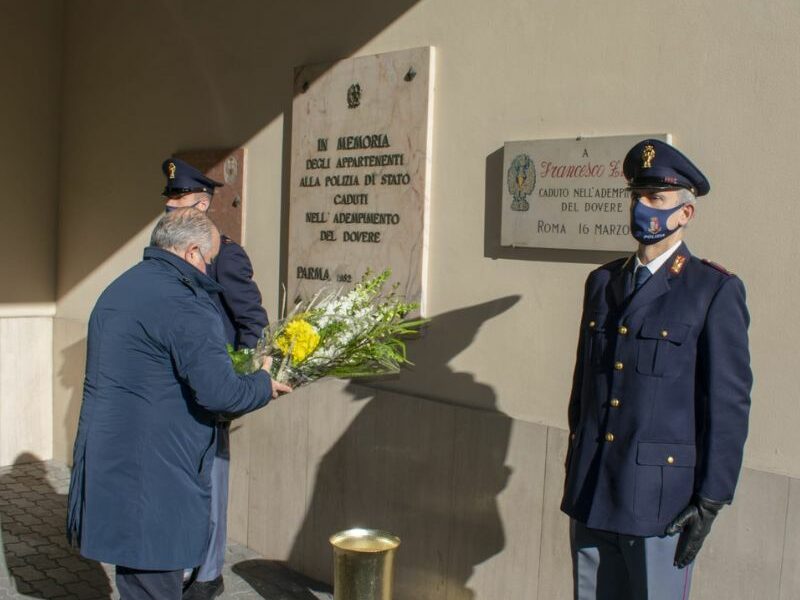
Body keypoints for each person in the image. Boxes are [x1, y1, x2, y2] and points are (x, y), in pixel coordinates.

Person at [561, 139, 752, 599]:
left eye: (655, 199)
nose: (641, 208)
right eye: (636, 197)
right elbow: (583, 387)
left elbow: (727, 402)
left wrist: (711, 498)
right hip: (592, 490)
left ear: (685, 214)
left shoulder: (711, 289)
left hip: (660, 501)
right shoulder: (603, 282)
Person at [66, 209, 291, 600]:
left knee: (136, 579)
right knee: (154, 586)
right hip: (157, 478)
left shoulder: (119, 289)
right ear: (190, 253)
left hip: (114, 465)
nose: (210, 271)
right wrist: (261, 383)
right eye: (210, 260)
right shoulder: (186, 304)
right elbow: (220, 393)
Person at [161, 157, 269, 599]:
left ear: (202, 204)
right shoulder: (168, 249)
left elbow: (251, 320)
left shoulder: (224, 252)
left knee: (210, 482)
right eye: (169, 201)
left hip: (211, 384)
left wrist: (240, 375)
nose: (170, 207)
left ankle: (207, 574)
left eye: (179, 200)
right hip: (172, 385)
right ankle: (178, 563)